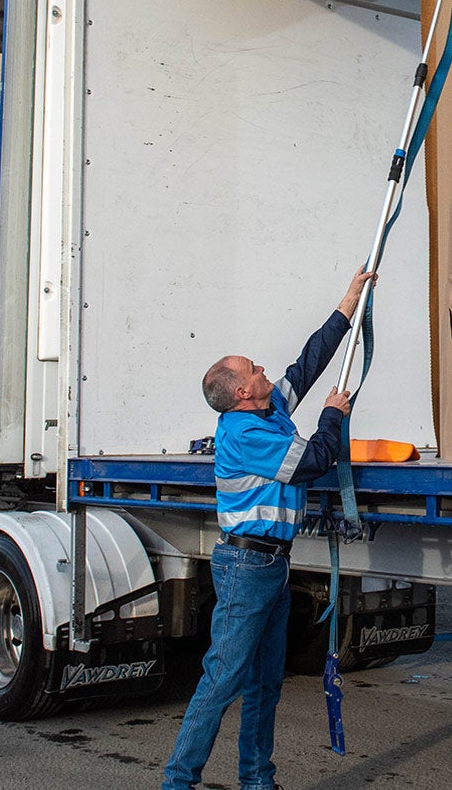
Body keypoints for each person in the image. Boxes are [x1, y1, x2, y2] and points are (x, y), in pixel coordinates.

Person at [161, 268, 374, 790]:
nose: (263, 368)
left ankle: (257, 780)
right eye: (253, 368)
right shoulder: (246, 432)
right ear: (239, 390)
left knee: (263, 685)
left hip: (271, 565)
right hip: (246, 567)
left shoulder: (270, 408)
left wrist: (347, 305)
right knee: (222, 681)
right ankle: (177, 782)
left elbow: (309, 361)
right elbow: (318, 459)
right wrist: (332, 414)